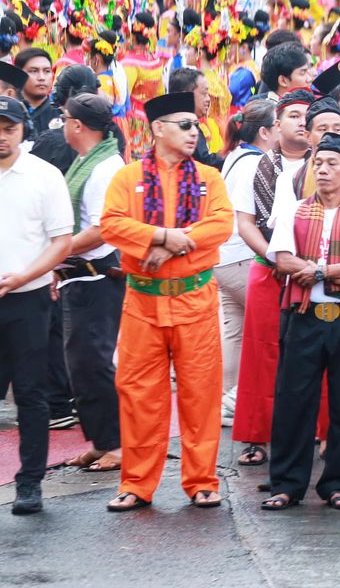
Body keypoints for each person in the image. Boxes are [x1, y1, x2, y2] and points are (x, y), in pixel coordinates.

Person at [99, 92, 233, 512]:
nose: (195, 132)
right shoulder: (127, 178)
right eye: (185, 125)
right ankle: (137, 483)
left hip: (195, 299)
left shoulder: (209, 177)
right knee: (140, 395)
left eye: (195, 125)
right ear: (158, 129)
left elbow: (222, 223)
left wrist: (177, 243)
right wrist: (159, 236)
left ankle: (202, 480)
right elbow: (112, 225)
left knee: (201, 394)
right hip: (143, 303)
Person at [262, 134, 340, 512]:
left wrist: (320, 271)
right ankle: (287, 484)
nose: (323, 169)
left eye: (332, 163)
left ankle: (338, 482)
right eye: (318, 163)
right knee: (293, 401)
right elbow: (282, 260)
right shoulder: (294, 211)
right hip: (305, 318)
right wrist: (332, 275)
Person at [230, 90, 314, 459]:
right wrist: (276, 258)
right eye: (292, 116)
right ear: (276, 125)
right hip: (268, 270)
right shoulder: (256, 166)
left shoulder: (327, 164)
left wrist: (309, 267)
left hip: (317, 274)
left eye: (305, 117)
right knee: (262, 356)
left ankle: (320, 432)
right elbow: (245, 223)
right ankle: (257, 438)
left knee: (316, 355)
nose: (300, 123)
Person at [0, 96, 73, 515]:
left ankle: (30, 483)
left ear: (23, 130)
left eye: (9, 128)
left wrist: (26, 277)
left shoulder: (44, 176)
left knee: (31, 394)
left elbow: (61, 241)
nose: (2, 137)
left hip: (29, 300)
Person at [56, 94, 126, 475]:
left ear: (79, 125)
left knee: (94, 363)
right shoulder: (88, 161)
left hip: (97, 277)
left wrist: (55, 250)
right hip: (77, 277)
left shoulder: (105, 168)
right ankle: (101, 441)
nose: (64, 125)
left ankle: (116, 444)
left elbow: (102, 231)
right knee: (80, 366)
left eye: (65, 119)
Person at [215, 99, 277, 420]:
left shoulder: (236, 156)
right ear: (265, 132)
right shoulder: (259, 162)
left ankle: (229, 402)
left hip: (224, 259)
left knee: (235, 331)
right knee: (271, 330)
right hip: (243, 257)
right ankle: (241, 397)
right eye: (278, 124)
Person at [16, 47, 60, 136]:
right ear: (19, 74)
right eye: (33, 71)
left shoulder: (60, 116)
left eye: (47, 71)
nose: (41, 77)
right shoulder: (10, 112)